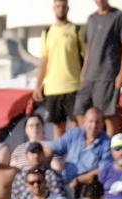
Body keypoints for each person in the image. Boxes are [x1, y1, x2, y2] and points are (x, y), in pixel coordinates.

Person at [76, 0, 122, 135]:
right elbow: (89, 48)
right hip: (90, 75)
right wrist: (84, 71)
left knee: (108, 115)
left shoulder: (118, 16)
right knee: (79, 110)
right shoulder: (91, 19)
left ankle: (112, 151)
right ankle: (90, 147)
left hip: (108, 74)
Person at [33, 0, 85, 138]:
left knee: (77, 124)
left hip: (73, 85)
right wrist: (38, 85)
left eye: (63, 6)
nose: (60, 9)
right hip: (53, 88)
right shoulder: (47, 32)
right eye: (57, 6)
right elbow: (44, 60)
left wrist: (84, 77)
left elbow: (88, 55)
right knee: (58, 126)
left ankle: (77, 156)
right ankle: (59, 158)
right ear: (53, 9)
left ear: (68, 8)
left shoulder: (76, 30)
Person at [52, 106, 112, 196]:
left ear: (103, 124)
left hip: (87, 186)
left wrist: (79, 180)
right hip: (62, 181)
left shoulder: (107, 143)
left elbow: (103, 170)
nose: (94, 125)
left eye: (98, 122)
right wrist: (55, 160)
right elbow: (54, 149)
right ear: (84, 122)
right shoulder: (74, 133)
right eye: (91, 121)